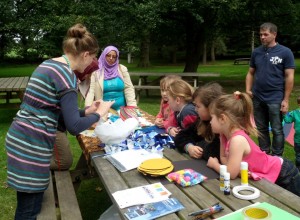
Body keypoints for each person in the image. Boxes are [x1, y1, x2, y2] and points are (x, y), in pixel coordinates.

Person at [5, 23, 114, 219]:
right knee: (28, 212)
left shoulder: (50, 64)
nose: (91, 65)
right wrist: (100, 113)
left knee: (30, 206)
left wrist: (86, 110)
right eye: (92, 58)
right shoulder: (67, 77)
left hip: (21, 138)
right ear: (85, 54)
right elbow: (73, 127)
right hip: (31, 146)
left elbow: (49, 108)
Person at [207, 92, 300, 196]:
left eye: (212, 118)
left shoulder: (237, 140)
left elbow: (230, 174)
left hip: (285, 174)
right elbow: (225, 160)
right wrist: (221, 138)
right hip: (277, 172)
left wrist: (214, 164)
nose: (210, 122)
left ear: (223, 119)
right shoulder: (226, 136)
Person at [245, 22, 295, 156]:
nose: (262, 37)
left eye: (265, 34)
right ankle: (264, 154)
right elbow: (250, 72)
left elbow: (289, 76)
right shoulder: (256, 52)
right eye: (261, 34)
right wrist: (248, 89)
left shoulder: (285, 52)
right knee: (261, 128)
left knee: (277, 129)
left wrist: (286, 99)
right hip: (258, 97)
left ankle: (277, 157)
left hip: (275, 97)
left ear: (274, 34)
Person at [50, 61, 100, 171]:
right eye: (89, 74)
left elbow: (66, 111)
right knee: (64, 162)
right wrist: (98, 114)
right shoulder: (69, 83)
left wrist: (86, 112)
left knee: (62, 158)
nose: (89, 77)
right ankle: (32, 163)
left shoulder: (68, 78)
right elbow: (74, 126)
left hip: (55, 122)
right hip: (52, 125)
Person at [175, 82, 224, 160]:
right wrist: (189, 147)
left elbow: (212, 153)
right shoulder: (201, 121)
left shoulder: (221, 127)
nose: (195, 109)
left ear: (210, 108)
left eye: (198, 106)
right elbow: (180, 136)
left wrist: (198, 144)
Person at [85, 45, 137, 111]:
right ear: (104, 56)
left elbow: (129, 88)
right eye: (108, 55)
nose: (111, 58)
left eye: (114, 56)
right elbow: (91, 91)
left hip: (122, 110)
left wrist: (131, 106)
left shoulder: (122, 69)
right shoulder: (96, 72)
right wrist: (88, 107)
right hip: (103, 111)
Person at [283, 96, 300, 170]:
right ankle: (298, 168)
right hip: (298, 140)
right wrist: (285, 113)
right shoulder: (295, 113)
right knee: (299, 156)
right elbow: (287, 120)